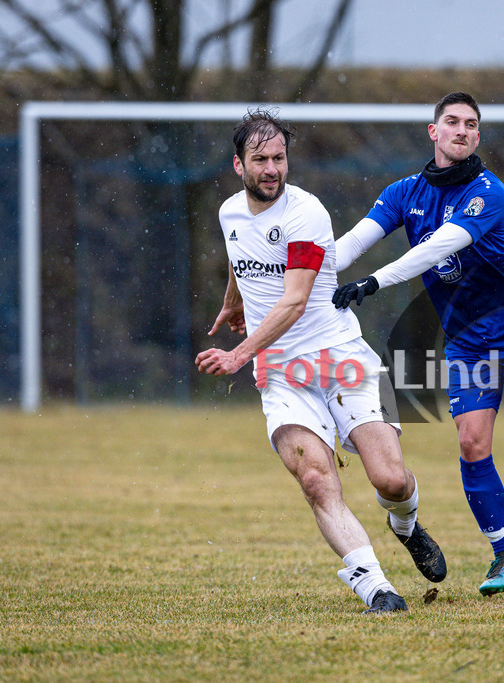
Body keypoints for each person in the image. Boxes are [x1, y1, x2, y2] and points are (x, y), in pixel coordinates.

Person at [332, 92, 504, 596]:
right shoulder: (403, 192)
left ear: (477, 136)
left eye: (470, 124)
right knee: (471, 443)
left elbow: (438, 247)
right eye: (452, 121)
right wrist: (297, 276)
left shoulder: (489, 192)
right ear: (433, 131)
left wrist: (373, 283)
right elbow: (352, 243)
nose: (461, 130)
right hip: (467, 342)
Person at [195, 108, 446, 615]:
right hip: (281, 373)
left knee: (390, 479)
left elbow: (294, 301)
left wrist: (239, 354)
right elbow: (239, 258)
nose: (272, 169)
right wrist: (233, 301)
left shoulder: (306, 214)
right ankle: (376, 589)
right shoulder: (229, 212)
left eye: (279, 158)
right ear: (239, 165)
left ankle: (405, 525)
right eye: (260, 160)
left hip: (341, 358)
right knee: (315, 478)